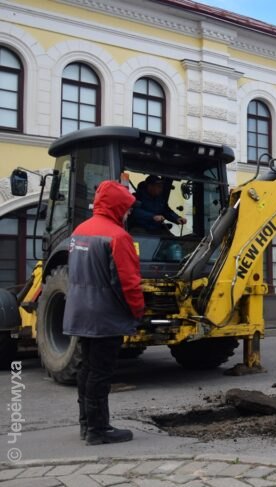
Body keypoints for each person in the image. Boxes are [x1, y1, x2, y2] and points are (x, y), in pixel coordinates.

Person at [63, 180, 145, 445]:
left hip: (80, 312)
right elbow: (127, 282)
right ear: (118, 206)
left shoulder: (79, 232)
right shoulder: (118, 237)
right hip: (105, 317)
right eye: (127, 207)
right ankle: (99, 430)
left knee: (88, 368)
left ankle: (87, 424)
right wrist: (138, 311)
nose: (129, 212)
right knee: (101, 371)